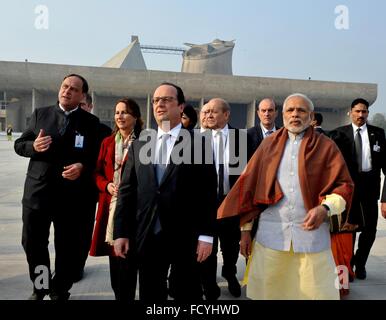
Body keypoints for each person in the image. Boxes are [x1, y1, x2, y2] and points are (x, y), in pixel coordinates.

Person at [218, 93, 354, 300]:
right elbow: (250, 190)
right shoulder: (268, 145)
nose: (295, 115)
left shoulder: (326, 147)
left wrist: (325, 208)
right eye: (290, 110)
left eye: (301, 111)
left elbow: (344, 186)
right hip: (272, 236)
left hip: (312, 237)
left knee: (314, 292)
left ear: (310, 116)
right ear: (283, 115)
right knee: (270, 291)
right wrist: (245, 231)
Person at [113, 82, 218, 301]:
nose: (160, 104)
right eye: (156, 100)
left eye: (167, 99)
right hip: (148, 233)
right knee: (150, 292)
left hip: (185, 235)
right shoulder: (140, 144)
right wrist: (121, 231)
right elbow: (127, 191)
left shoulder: (199, 143)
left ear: (181, 107)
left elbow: (207, 193)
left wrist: (207, 236)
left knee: (187, 292)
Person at [14, 74, 100, 300]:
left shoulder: (91, 124)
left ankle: (60, 289)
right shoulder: (40, 114)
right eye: (64, 86)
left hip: (71, 199)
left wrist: (83, 166)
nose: (67, 91)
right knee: (33, 243)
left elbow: (97, 159)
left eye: (74, 89)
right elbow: (19, 144)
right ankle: (41, 286)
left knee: (67, 249)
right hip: (37, 195)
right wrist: (33, 146)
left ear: (82, 95)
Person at [89, 98, 143, 300]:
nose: (120, 116)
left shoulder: (144, 142)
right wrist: (106, 185)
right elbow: (96, 173)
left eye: (125, 112)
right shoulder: (107, 142)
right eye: (117, 112)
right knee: (115, 263)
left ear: (135, 117)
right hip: (109, 208)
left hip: (133, 209)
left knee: (128, 261)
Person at [330, 98, 386, 280]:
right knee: (349, 230)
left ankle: (359, 263)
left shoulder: (378, 134)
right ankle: (348, 267)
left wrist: (385, 198)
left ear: (368, 113)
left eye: (364, 112)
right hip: (347, 191)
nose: (361, 115)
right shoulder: (339, 134)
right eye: (357, 111)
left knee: (370, 231)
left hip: (370, 191)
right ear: (350, 112)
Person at [198, 98, 245, 300]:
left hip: (230, 201)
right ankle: (209, 283)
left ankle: (230, 273)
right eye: (205, 111)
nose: (208, 115)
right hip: (204, 203)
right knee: (206, 243)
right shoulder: (194, 139)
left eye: (213, 112)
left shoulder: (241, 138)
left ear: (226, 115)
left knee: (230, 245)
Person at [73, 93, 112, 282]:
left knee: (83, 230)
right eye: (76, 105)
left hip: (88, 189)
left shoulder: (102, 129)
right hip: (63, 188)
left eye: (82, 105)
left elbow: (104, 162)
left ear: (90, 106)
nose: (79, 108)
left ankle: (77, 266)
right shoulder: (66, 125)